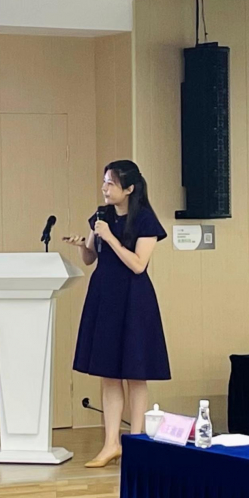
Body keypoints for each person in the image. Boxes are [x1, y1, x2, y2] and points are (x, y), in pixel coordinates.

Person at [64, 160, 170, 468]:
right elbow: (90, 258)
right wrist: (82, 245)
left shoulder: (145, 219)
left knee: (135, 372)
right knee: (108, 372)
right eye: (104, 182)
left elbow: (138, 265)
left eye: (111, 183)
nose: (105, 188)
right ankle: (111, 443)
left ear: (129, 188)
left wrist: (110, 237)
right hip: (105, 296)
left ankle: (135, 442)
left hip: (134, 299)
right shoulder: (101, 216)